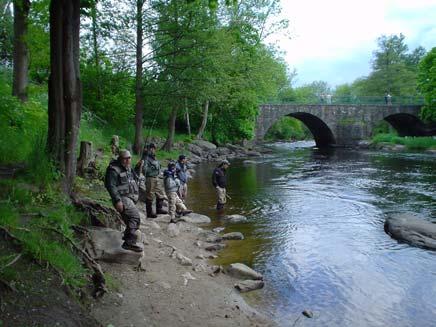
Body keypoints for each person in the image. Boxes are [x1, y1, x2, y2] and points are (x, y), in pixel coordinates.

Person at [104, 149, 143, 252]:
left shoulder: (128, 168)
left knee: (132, 220)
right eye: (125, 159)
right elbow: (110, 186)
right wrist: (117, 201)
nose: (127, 160)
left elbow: (135, 178)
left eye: (129, 158)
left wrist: (138, 168)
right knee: (135, 217)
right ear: (120, 158)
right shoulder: (113, 169)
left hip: (130, 198)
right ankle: (128, 242)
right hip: (122, 198)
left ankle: (127, 238)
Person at [140, 143, 168, 218]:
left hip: (157, 177)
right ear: (149, 149)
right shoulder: (145, 158)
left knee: (161, 193)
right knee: (150, 195)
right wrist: (152, 168)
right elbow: (144, 170)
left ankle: (159, 209)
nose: (153, 150)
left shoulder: (154, 157)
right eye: (152, 148)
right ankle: (149, 213)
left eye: (154, 148)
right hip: (150, 178)